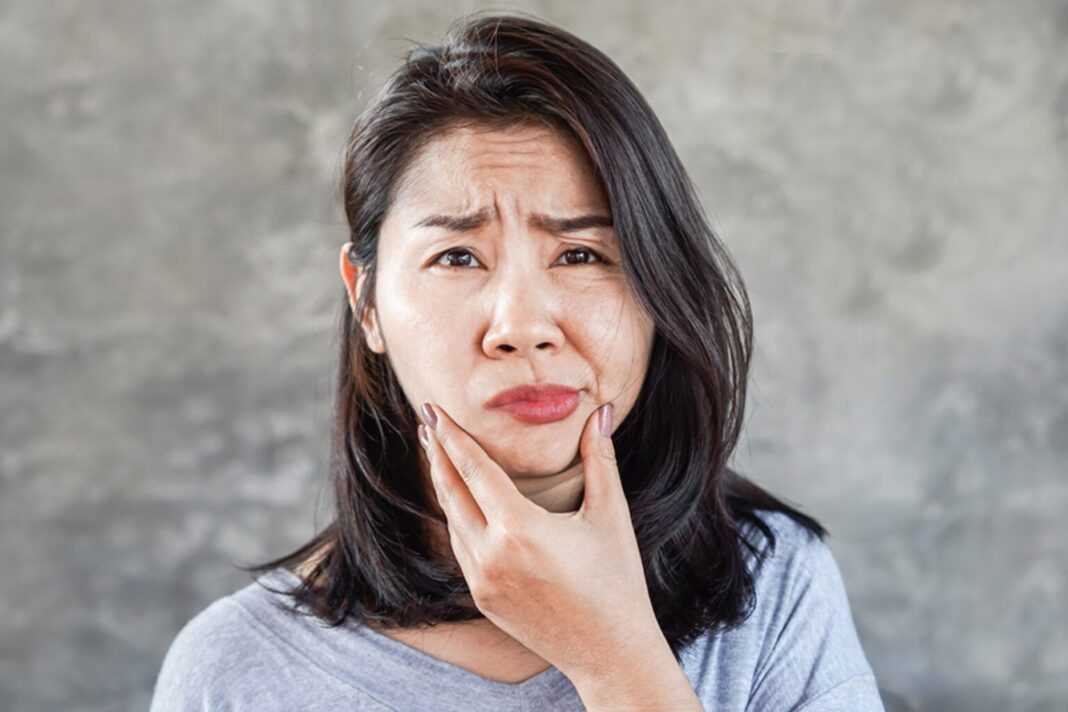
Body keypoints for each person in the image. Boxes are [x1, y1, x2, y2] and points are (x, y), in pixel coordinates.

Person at [149, 11, 886, 711]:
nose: (523, 328)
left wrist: (614, 657)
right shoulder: (233, 671)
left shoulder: (772, 586)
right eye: (457, 257)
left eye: (580, 254)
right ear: (365, 299)